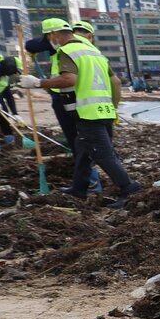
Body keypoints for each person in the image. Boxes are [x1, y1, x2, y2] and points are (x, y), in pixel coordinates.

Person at [19, 22, 142, 206]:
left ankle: (129, 189)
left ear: (54, 34)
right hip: (104, 109)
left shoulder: (67, 51)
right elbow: (115, 81)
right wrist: (113, 107)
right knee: (83, 148)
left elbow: (69, 79)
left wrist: (37, 83)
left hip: (87, 112)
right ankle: (79, 188)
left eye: (48, 38)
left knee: (103, 154)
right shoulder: (93, 52)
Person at [25, 19, 103, 192]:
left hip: (71, 98)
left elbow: (31, 44)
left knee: (81, 142)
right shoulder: (86, 49)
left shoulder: (69, 46)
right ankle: (90, 183)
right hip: (73, 98)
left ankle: (92, 182)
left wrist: (38, 83)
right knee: (86, 142)